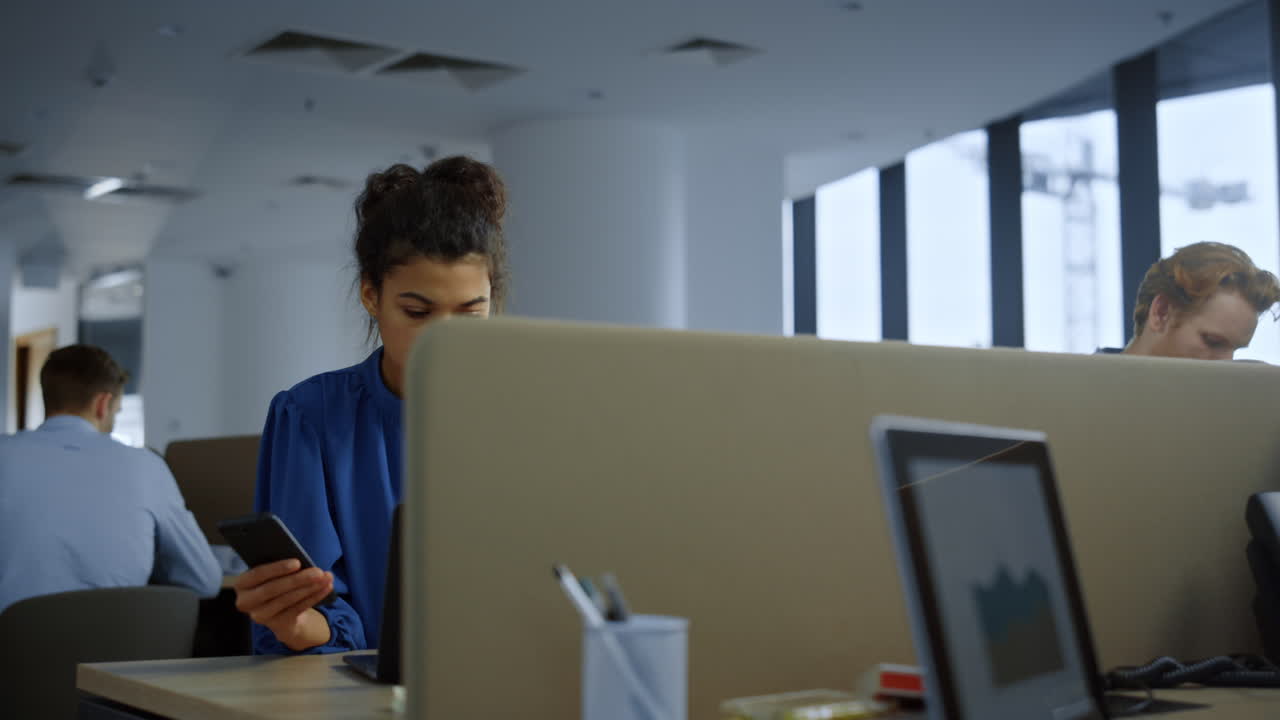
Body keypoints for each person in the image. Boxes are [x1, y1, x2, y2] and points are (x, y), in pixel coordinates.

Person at [233, 156, 508, 653]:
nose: (444, 339)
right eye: (418, 312)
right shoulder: (310, 416)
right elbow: (323, 620)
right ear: (370, 295)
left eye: (471, 313)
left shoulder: (536, 418)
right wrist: (296, 624)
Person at [0, 345, 221, 615]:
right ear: (103, 404)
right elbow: (204, 581)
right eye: (117, 412)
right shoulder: (147, 466)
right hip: (116, 650)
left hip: (15, 649)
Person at [1103, 242, 1280, 361]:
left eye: (1235, 349)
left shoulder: (1226, 410)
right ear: (1161, 313)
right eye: (1212, 342)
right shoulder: (1078, 393)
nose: (1227, 362)